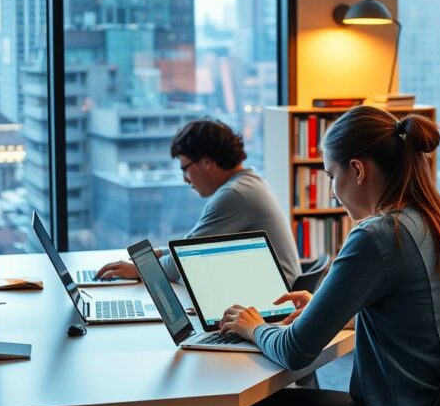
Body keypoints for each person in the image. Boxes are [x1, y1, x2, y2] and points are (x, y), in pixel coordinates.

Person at [212, 105, 440, 406]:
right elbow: (419, 315)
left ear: (356, 170)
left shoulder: (381, 235)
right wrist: (328, 308)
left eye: (330, 176)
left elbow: (296, 351)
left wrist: (253, 326)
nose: (332, 193)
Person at [95, 119, 302, 286]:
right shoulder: (247, 183)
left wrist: (141, 270)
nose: (185, 179)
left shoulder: (234, 194)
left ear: (206, 162)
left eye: (185, 168)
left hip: (273, 300)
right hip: (268, 289)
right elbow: (192, 245)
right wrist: (161, 252)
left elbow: (186, 261)